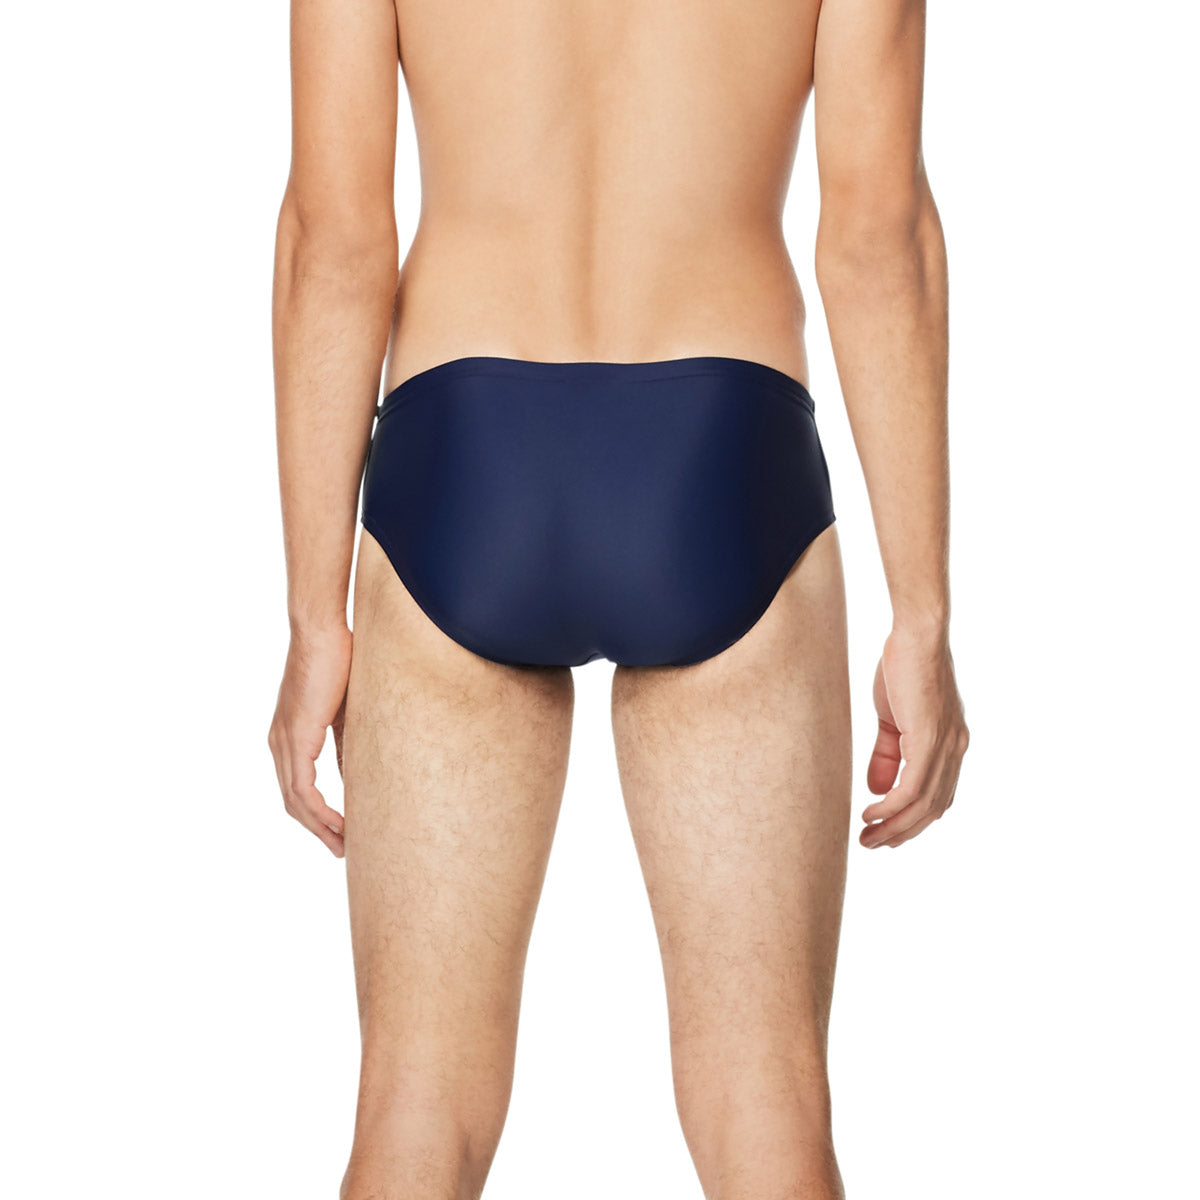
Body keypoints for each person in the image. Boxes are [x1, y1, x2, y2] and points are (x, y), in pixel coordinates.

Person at [266, 0, 969, 1195]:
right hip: (720, 451)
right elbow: (875, 233)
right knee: (766, 1105)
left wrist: (312, 615)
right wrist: (923, 610)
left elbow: (335, 241)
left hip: (465, 457)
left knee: (416, 1107)